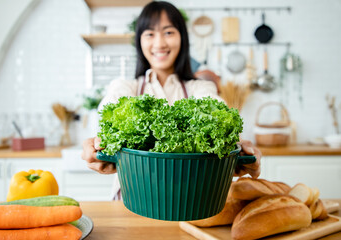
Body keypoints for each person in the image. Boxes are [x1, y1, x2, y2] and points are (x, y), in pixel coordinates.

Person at [82, 1, 261, 199]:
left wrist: (235, 147)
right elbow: (110, 105)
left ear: (182, 38)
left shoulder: (199, 87)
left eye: (168, 32)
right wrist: (99, 144)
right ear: (139, 42)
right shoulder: (128, 87)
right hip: (133, 199)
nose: (159, 43)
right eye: (150, 34)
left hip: (189, 200)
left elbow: (214, 107)